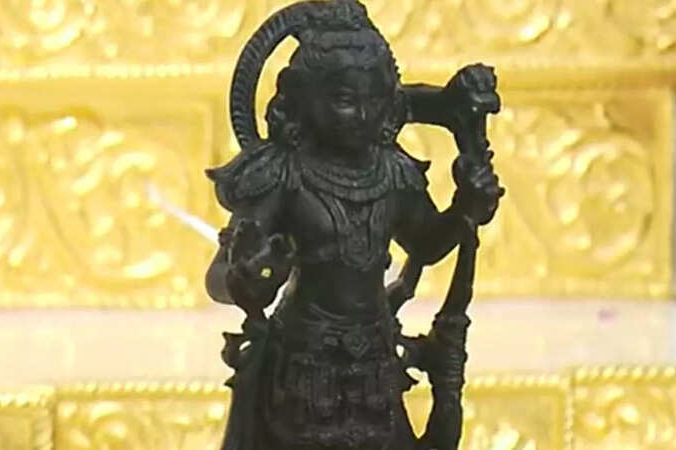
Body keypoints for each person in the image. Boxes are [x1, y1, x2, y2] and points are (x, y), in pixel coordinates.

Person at [205, 1, 503, 449]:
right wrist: (247, 278)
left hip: (374, 361)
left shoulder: (393, 172)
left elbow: (425, 244)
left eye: (373, 100)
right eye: (344, 101)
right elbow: (218, 278)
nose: (362, 115)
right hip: (303, 363)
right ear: (305, 101)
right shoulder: (285, 174)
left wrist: (465, 208)